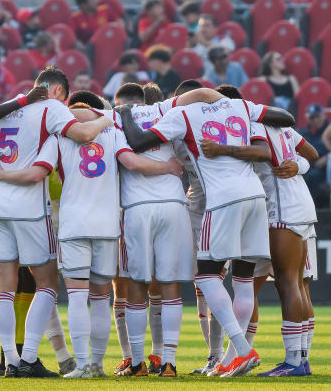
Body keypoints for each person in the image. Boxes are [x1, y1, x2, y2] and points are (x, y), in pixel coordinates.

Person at [0, 89, 183, 379]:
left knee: (77, 297)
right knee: (102, 296)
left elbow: (38, 171)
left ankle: (80, 365)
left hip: (73, 224)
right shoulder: (113, 131)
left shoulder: (58, 137)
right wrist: (168, 167)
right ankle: (98, 364)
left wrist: (2, 175)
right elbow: (132, 163)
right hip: (106, 225)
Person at [117, 81, 296, 378]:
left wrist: (123, 113)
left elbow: (138, 142)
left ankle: (241, 350)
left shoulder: (182, 115)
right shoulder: (239, 106)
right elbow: (285, 117)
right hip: (255, 197)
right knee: (242, 278)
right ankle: (232, 355)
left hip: (222, 199)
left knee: (205, 275)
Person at [0, 66, 119, 378]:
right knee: (46, 282)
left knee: (4, 288)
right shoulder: (51, 109)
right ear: (58, 91)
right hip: (30, 207)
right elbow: (84, 133)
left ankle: (10, 360)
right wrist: (107, 117)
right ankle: (30, 357)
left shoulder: (3, 111)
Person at [200, 85, 320, 377]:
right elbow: (311, 153)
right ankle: (300, 357)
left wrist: (221, 150)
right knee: (297, 284)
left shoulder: (248, 125)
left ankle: (293, 362)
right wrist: (299, 165)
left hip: (280, 209)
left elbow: (263, 153)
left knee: (286, 284)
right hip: (302, 205)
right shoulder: (279, 125)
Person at [298, 104, 330, 207]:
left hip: (325, 168)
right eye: (312, 117)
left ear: (323, 116)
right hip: (307, 166)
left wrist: (329, 157)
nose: (315, 120)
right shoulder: (303, 133)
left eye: (318, 116)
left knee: (312, 176)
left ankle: (309, 207)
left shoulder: (330, 131)